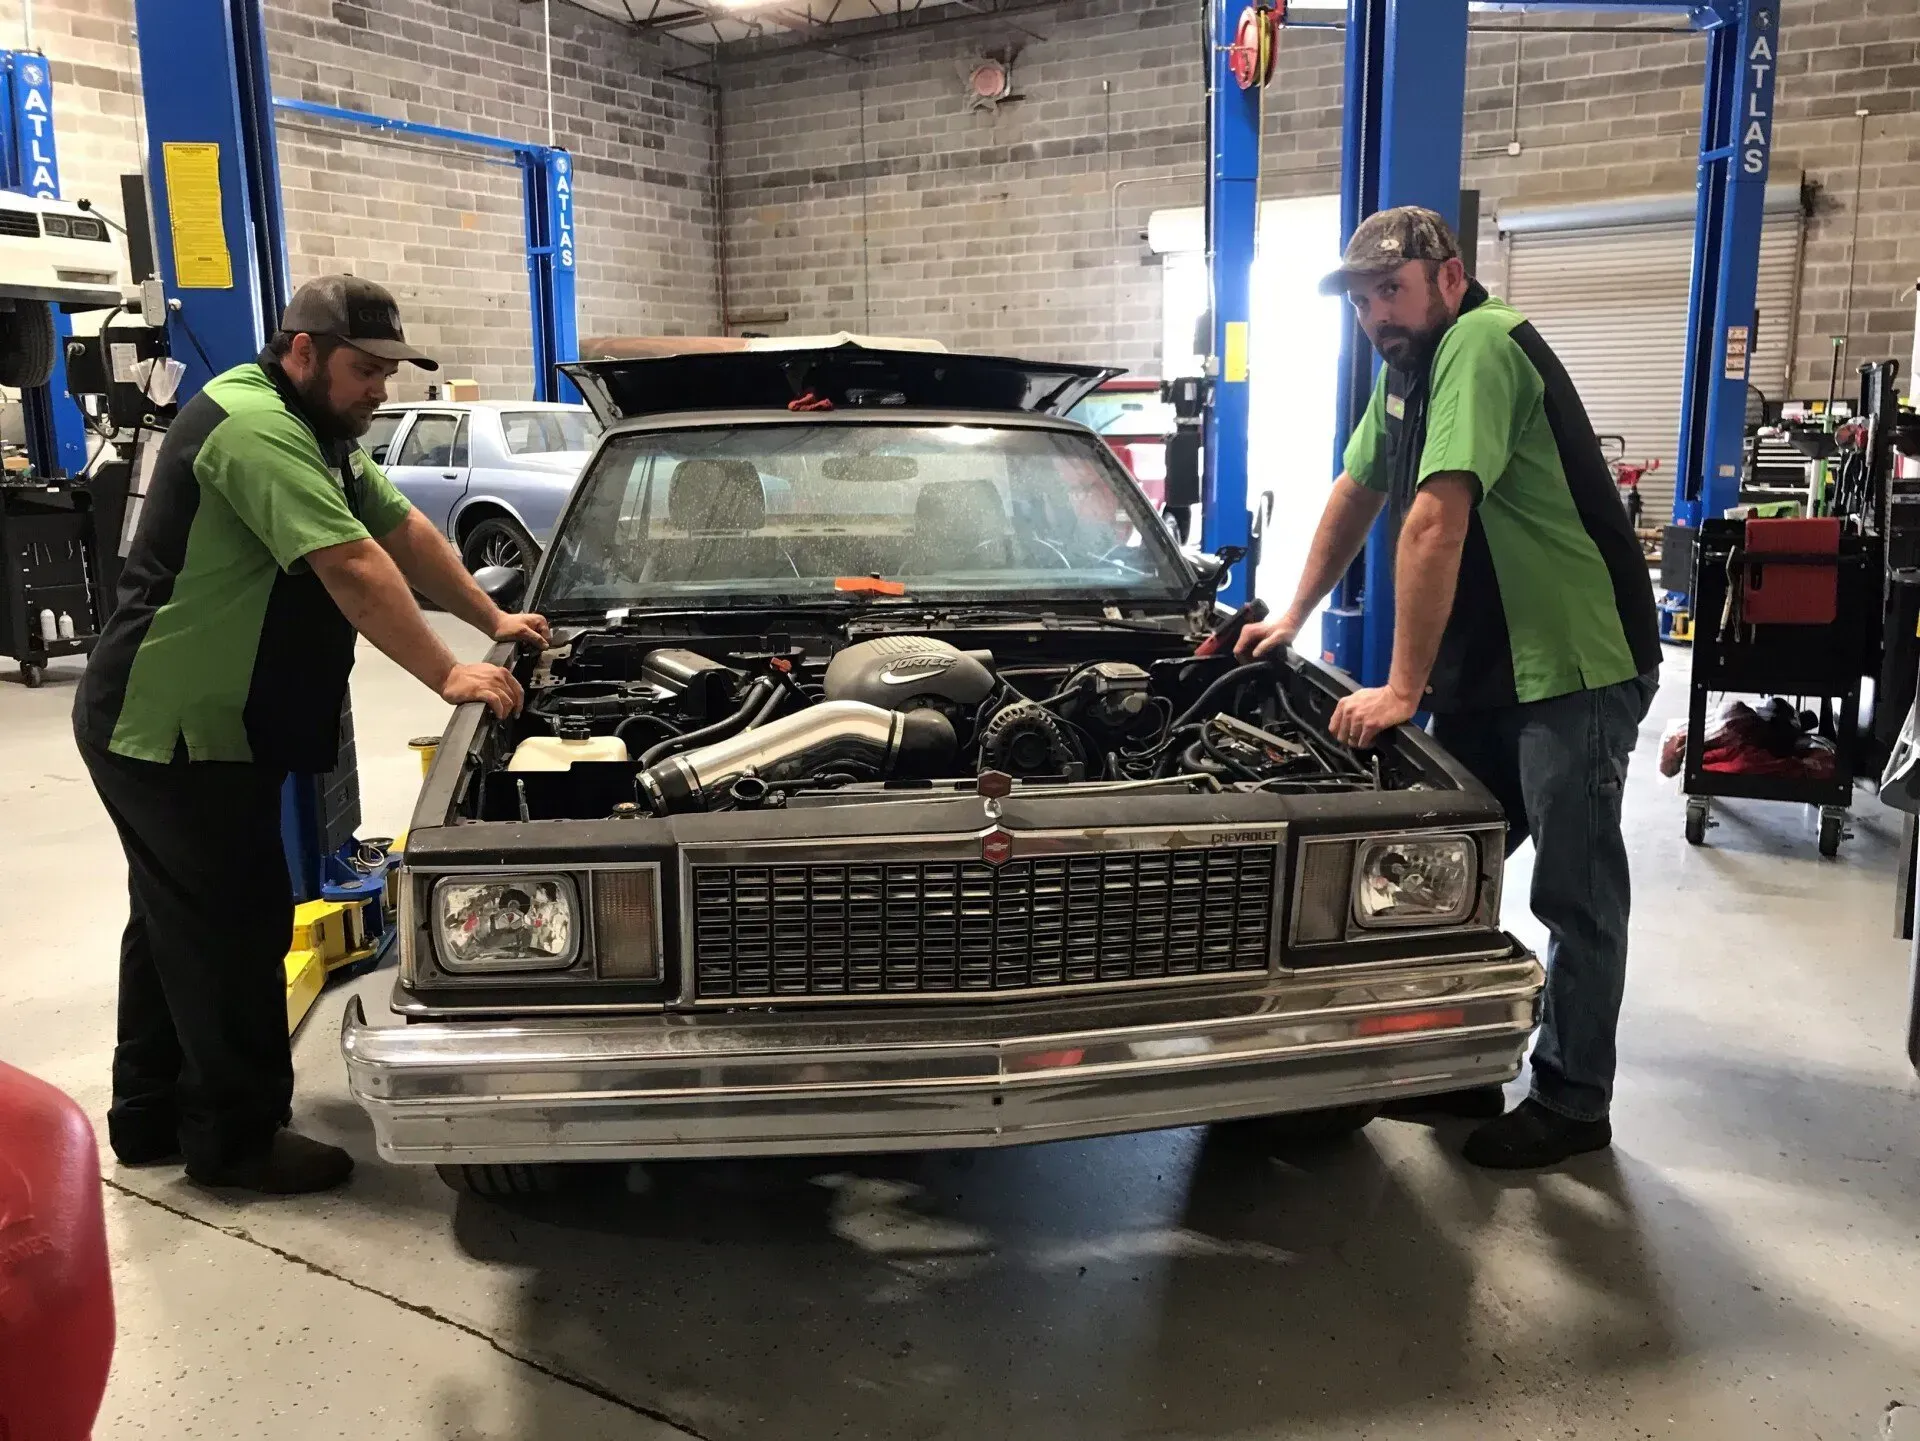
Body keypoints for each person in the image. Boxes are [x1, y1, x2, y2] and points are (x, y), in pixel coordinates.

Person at [73, 275, 550, 1195]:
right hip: (172, 726)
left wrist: (493, 617)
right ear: (302, 351)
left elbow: (404, 530)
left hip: (203, 726)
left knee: (175, 916)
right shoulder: (255, 426)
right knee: (235, 925)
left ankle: (149, 1115)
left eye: (389, 370)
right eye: (365, 369)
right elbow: (351, 562)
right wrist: (447, 670)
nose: (382, 388)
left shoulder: (318, 432)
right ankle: (235, 1140)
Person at [1235, 208, 1661, 1169]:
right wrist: (1290, 618)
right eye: (1360, 299)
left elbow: (1433, 521)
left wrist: (1399, 687)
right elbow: (1357, 494)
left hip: (1574, 664)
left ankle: (1574, 1098)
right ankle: (1464, 1062)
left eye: (1391, 289)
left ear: (1450, 276)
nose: (1375, 313)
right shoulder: (1405, 375)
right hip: (1495, 665)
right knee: (1441, 867)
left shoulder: (1479, 344)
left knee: (1576, 889)